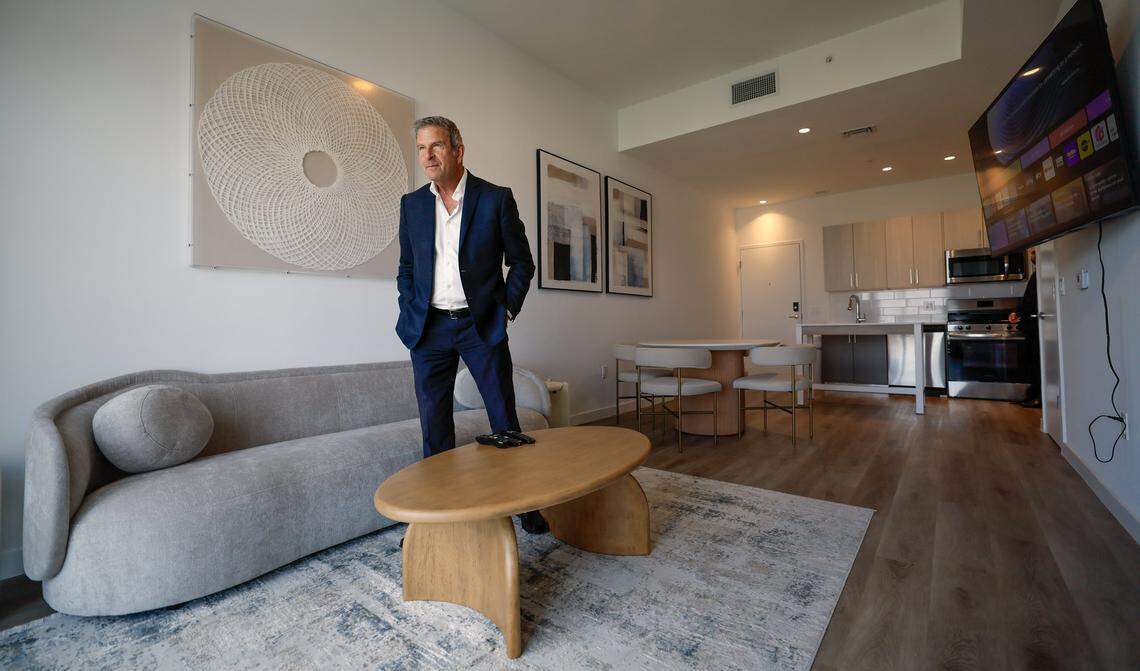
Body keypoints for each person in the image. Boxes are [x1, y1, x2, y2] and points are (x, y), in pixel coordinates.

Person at [394, 116, 547, 534]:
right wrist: (408, 306)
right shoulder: (412, 205)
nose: (427, 156)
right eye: (421, 148)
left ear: (458, 150)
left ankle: (525, 506)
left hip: (479, 326)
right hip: (428, 329)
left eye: (436, 146)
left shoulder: (495, 199)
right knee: (434, 426)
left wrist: (506, 310)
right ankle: (438, 518)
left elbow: (522, 263)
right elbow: (407, 268)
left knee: (504, 418)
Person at [1009, 247, 1040, 408]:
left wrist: (1021, 312)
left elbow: (1031, 302)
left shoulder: (1044, 275)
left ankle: (1037, 398)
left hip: (1037, 326)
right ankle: (1031, 396)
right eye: (1030, 253)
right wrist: (1017, 312)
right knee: (1031, 363)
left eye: (1033, 253)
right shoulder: (1036, 275)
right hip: (1032, 327)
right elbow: (1027, 300)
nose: (1030, 255)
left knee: (1037, 363)